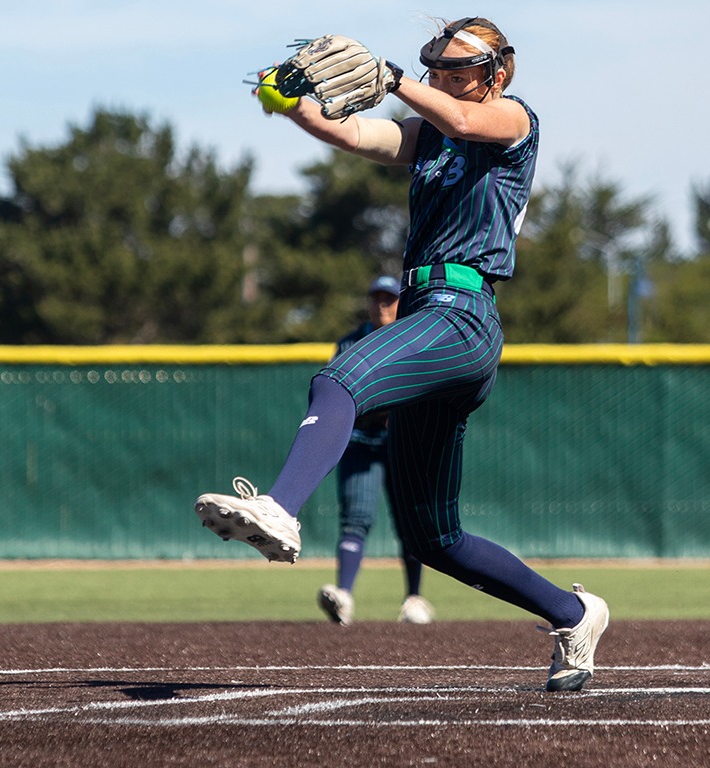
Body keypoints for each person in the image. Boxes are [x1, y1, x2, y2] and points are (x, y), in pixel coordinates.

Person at [196, 16, 608, 692]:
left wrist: (393, 79)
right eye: (437, 68)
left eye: (458, 70)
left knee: (341, 377)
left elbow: (467, 124)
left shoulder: (512, 119)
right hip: (429, 318)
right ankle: (575, 614)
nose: (445, 79)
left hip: (463, 315)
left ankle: (280, 507)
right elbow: (352, 132)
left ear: (497, 72)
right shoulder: (429, 136)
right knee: (433, 537)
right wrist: (289, 100)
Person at [318, 275, 436, 627]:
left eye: (390, 299)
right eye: (377, 299)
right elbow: (343, 394)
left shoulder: (412, 340)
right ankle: (344, 597)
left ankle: (414, 597)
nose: (382, 305)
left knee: (411, 525)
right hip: (361, 444)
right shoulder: (352, 343)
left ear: (402, 303)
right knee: (355, 519)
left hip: (402, 443)